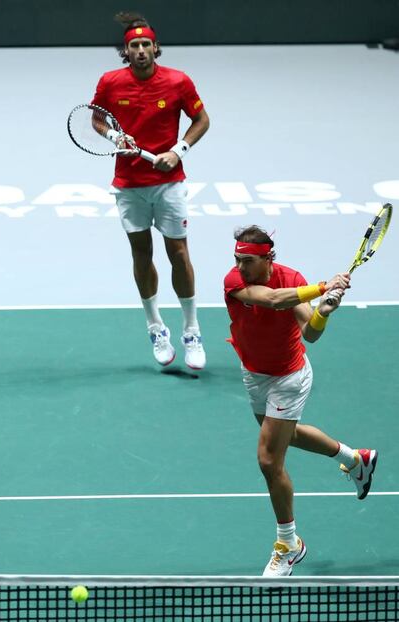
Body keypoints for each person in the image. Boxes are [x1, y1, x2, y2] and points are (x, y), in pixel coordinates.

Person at [224, 225, 378, 577]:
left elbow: (311, 332)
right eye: (237, 259)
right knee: (284, 436)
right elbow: (275, 300)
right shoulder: (234, 282)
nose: (240, 266)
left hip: (289, 378)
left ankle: (288, 544)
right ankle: (356, 459)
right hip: (255, 372)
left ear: (267, 258)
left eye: (248, 260)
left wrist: (325, 309)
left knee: (268, 460)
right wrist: (324, 286)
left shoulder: (292, 277)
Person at [91, 11, 209, 369]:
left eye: (145, 44)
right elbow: (96, 117)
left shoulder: (178, 82)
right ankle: (155, 326)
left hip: (169, 182)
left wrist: (178, 151)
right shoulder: (110, 83)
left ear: (156, 48)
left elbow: (201, 119)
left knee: (179, 253)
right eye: (133, 46)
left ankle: (191, 329)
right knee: (141, 253)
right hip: (129, 184)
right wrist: (114, 135)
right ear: (125, 52)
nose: (140, 50)